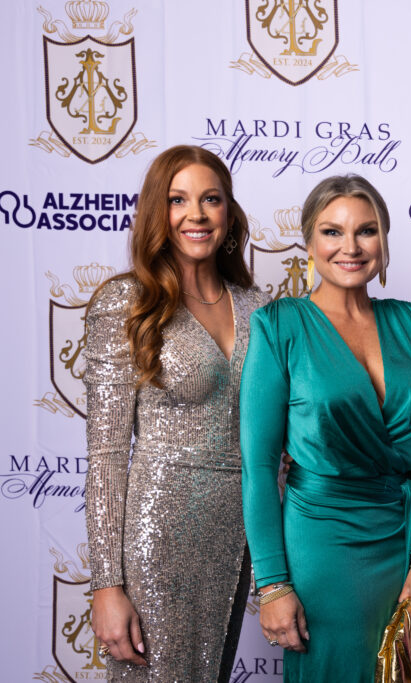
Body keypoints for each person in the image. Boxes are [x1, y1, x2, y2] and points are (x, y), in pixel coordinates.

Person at [240, 174, 411, 681]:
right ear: (309, 242)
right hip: (321, 546)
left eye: (366, 231)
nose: (350, 247)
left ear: (384, 239)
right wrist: (272, 584)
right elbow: (259, 468)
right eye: (332, 232)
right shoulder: (280, 325)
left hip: (404, 545)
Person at [84, 145, 265, 680]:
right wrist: (107, 585)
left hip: (237, 537)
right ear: (155, 214)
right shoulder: (128, 303)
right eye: (178, 200)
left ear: (228, 213)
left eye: (211, 199)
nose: (197, 214)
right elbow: (108, 453)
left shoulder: (260, 308)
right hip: (157, 535)